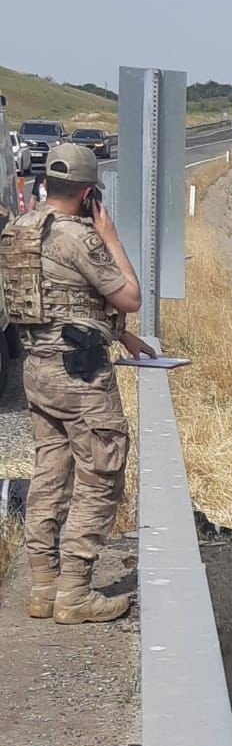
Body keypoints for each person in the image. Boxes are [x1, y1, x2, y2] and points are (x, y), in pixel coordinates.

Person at [0, 142, 150, 623]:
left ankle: (44, 586)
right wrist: (111, 237)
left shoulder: (18, 230)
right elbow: (130, 296)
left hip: (37, 370)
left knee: (49, 473)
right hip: (81, 377)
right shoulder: (79, 239)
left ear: (45, 183)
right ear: (89, 194)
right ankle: (76, 593)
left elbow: (61, 297)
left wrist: (119, 335)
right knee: (100, 475)